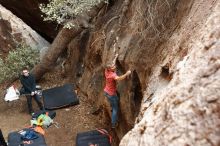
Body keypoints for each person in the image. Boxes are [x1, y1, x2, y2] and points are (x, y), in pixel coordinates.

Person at [104, 54, 131, 128]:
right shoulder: (112, 75)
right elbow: (119, 78)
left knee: (113, 105)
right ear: (110, 69)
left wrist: (115, 57)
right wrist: (127, 74)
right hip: (111, 94)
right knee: (116, 108)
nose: (114, 67)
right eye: (113, 67)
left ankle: (112, 110)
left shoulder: (106, 71)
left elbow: (112, 63)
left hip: (106, 91)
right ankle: (113, 124)